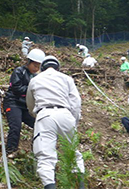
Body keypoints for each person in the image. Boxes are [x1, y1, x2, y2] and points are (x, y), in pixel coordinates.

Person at [26, 55, 85, 189]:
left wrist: (37, 116)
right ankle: (79, 185)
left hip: (44, 114)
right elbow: (76, 103)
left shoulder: (35, 79)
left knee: (45, 156)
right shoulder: (67, 79)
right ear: (58, 67)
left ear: (42, 67)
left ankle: (50, 186)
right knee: (73, 152)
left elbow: (30, 104)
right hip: (65, 114)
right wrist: (73, 122)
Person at [3, 48, 45, 157]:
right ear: (29, 62)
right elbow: (16, 88)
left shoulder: (38, 76)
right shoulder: (19, 71)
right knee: (16, 126)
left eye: (38, 66)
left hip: (26, 106)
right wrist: (31, 89)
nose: (36, 68)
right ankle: (11, 151)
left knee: (38, 125)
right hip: (13, 102)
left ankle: (37, 149)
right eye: (34, 65)